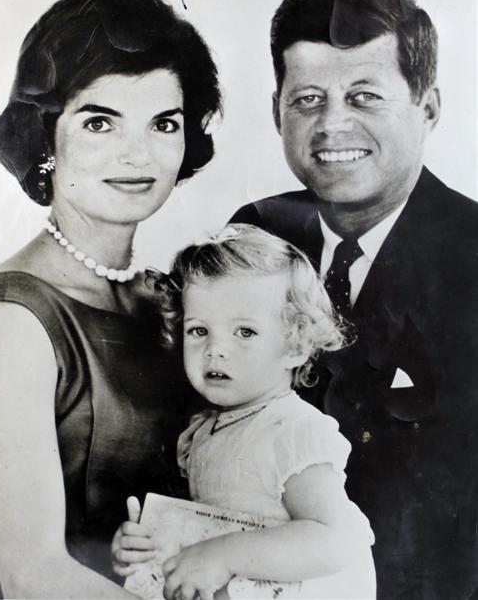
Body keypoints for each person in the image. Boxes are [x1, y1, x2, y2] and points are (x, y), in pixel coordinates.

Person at [0, 0, 221, 599]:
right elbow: (34, 580)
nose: (137, 153)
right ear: (46, 139)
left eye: (163, 124)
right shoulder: (12, 322)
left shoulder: (168, 301)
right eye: (100, 121)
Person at [230, 0, 478, 599]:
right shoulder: (258, 233)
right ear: (276, 110)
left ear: (429, 107)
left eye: (364, 97)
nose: (331, 125)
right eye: (308, 98)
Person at [112, 224, 376, 600]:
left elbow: (335, 539)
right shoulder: (203, 432)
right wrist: (147, 544)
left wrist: (221, 556)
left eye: (245, 332)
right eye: (199, 330)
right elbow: (204, 528)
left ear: (296, 345)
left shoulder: (292, 431)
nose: (215, 349)